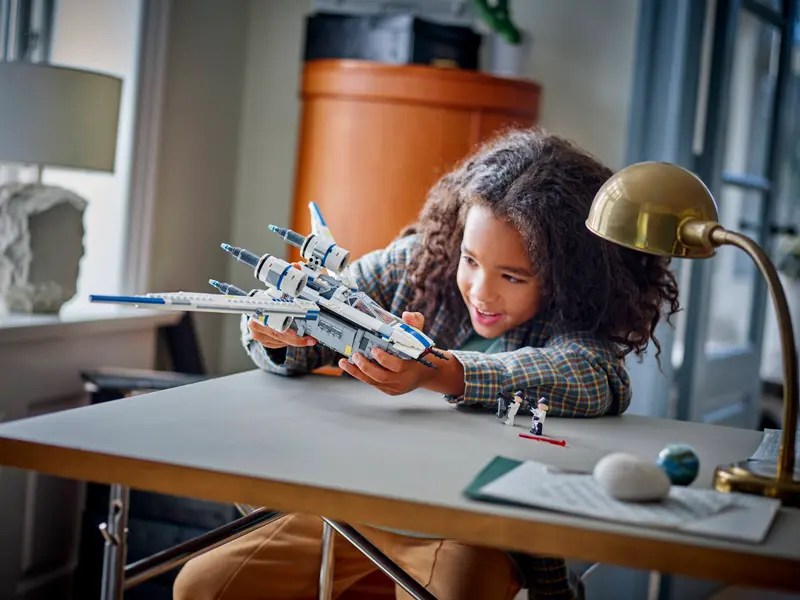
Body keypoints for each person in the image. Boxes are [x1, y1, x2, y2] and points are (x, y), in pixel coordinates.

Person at [174, 128, 680, 600]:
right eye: (471, 260)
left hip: (470, 528)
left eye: (513, 276)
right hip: (355, 502)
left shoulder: (571, 316)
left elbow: (594, 377)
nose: (482, 292)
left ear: (565, 277)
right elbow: (320, 318)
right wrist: (277, 335)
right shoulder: (415, 263)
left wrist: (440, 371)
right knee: (201, 586)